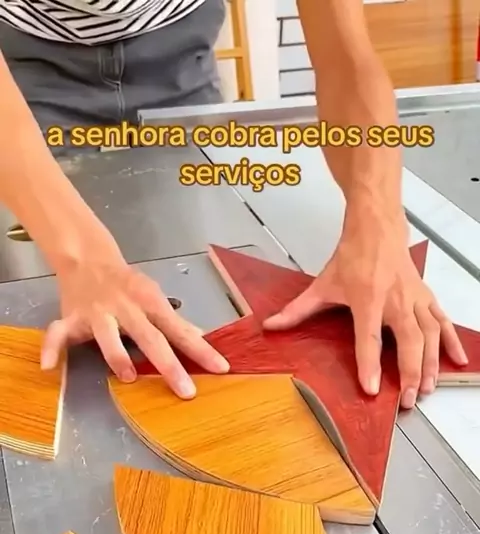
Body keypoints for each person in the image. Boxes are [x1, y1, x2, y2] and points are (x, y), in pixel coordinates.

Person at [0, 0, 468, 408]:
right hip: (25, 62)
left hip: (174, 38)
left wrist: (379, 222)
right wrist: (82, 257)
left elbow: (347, 56)